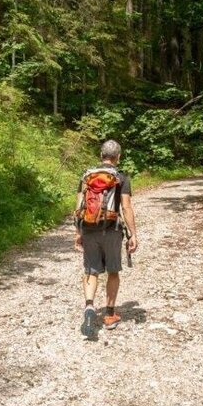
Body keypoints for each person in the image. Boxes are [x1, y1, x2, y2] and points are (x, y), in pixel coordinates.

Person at [74, 140, 138, 337]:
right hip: (112, 229)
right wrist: (133, 234)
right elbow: (126, 207)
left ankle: (90, 308)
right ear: (118, 157)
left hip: (89, 228)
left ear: (101, 155)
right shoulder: (120, 177)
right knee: (112, 271)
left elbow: (78, 206)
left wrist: (78, 232)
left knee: (91, 271)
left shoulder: (87, 175)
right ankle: (109, 315)